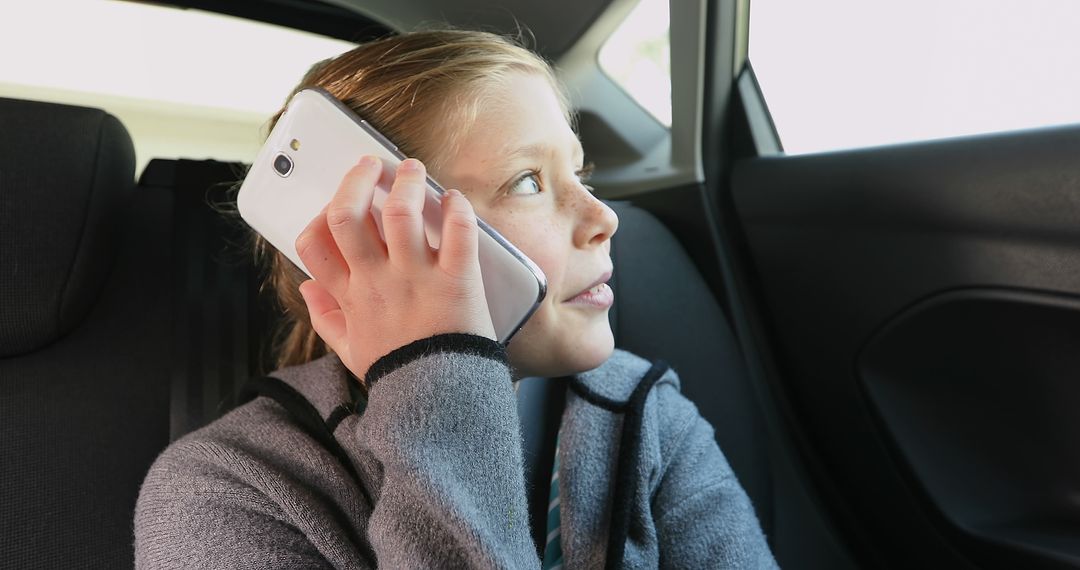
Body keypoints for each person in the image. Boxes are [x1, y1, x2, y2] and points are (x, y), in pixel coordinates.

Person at [134, 29, 778, 569]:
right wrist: (438, 372)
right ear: (379, 233)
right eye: (528, 180)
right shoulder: (219, 489)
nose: (603, 217)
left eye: (578, 173)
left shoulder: (646, 418)